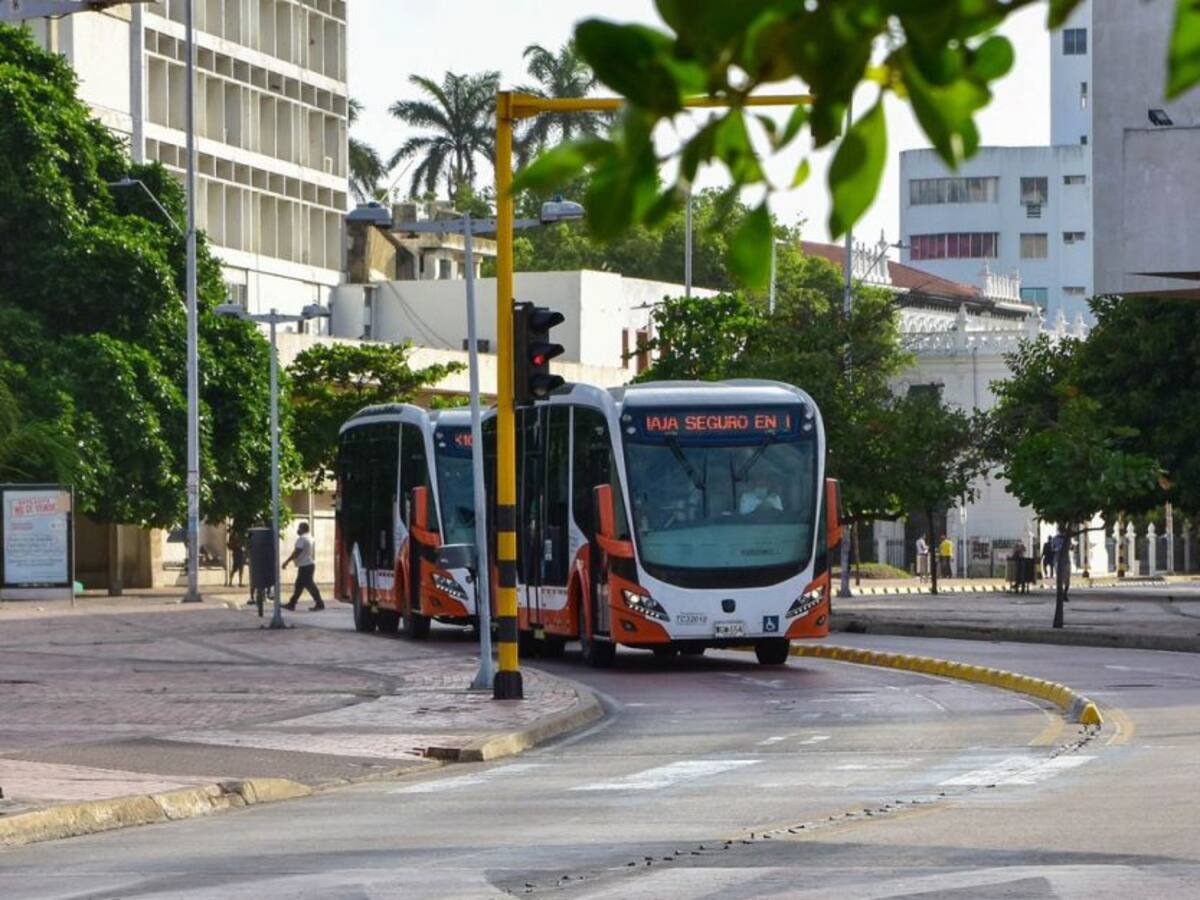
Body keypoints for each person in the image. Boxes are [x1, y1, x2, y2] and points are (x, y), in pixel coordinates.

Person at [282, 522, 323, 611]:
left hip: (305, 565)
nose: (298, 530)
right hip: (308, 564)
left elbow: (297, 551)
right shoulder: (310, 538)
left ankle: (320, 604)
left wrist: (287, 561)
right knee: (299, 585)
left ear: (303, 529)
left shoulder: (302, 539)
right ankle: (292, 604)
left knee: (309, 585)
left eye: (299, 528)